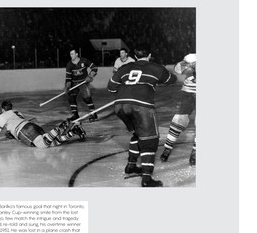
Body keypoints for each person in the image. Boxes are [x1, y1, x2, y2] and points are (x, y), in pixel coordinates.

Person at [107, 43, 177, 187]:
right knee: (149, 141)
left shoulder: (125, 68)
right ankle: (146, 179)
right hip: (141, 106)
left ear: (134, 56)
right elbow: (172, 80)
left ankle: (131, 166)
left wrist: (126, 89)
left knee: (137, 134)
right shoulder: (155, 67)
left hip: (120, 106)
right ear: (149, 55)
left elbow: (111, 87)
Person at [0, 100, 86, 147]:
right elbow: (17, 121)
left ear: (3, 109)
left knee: (42, 145)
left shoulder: (3, 115)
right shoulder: (17, 112)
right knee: (52, 143)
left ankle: (60, 127)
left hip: (23, 130)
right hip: (31, 126)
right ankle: (72, 132)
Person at [160, 53, 196, 165]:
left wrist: (193, 75)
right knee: (178, 120)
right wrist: (189, 68)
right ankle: (167, 147)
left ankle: (195, 150)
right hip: (187, 93)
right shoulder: (191, 59)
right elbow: (177, 68)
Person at [65, 48, 98, 122]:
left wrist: (90, 76)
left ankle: (94, 114)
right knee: (71, 97)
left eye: (72, 54)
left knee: (87, 98)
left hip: (83, 82)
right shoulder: (69, 64)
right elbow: (68, 78)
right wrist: (68, 86)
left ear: (77, 54)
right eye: (70, 54)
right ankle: (75, 115)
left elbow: (95, 68)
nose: (71, 56)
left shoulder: (84, 60)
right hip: (74, 83)